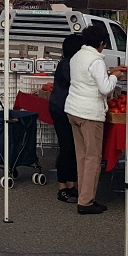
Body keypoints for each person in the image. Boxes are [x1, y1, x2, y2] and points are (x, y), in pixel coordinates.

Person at [64, 25, 127, 214]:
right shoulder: (97, 60)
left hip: (73, 109)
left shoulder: (77, 56)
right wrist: (115, 76)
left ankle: (85, 196)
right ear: (101, 43)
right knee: (93, 157)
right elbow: (105, 88)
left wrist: (110, 73)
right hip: (90, 113)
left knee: (82, 156)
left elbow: (89, 80)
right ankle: (86, 201)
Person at [48, 33, 85, 204]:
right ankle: (62, 187)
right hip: (61, 109)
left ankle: (72, 184)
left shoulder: (70, 62)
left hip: (69, 108)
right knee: (67, 146)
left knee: (74, 147)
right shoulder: (67, 64)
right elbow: (76, 81)